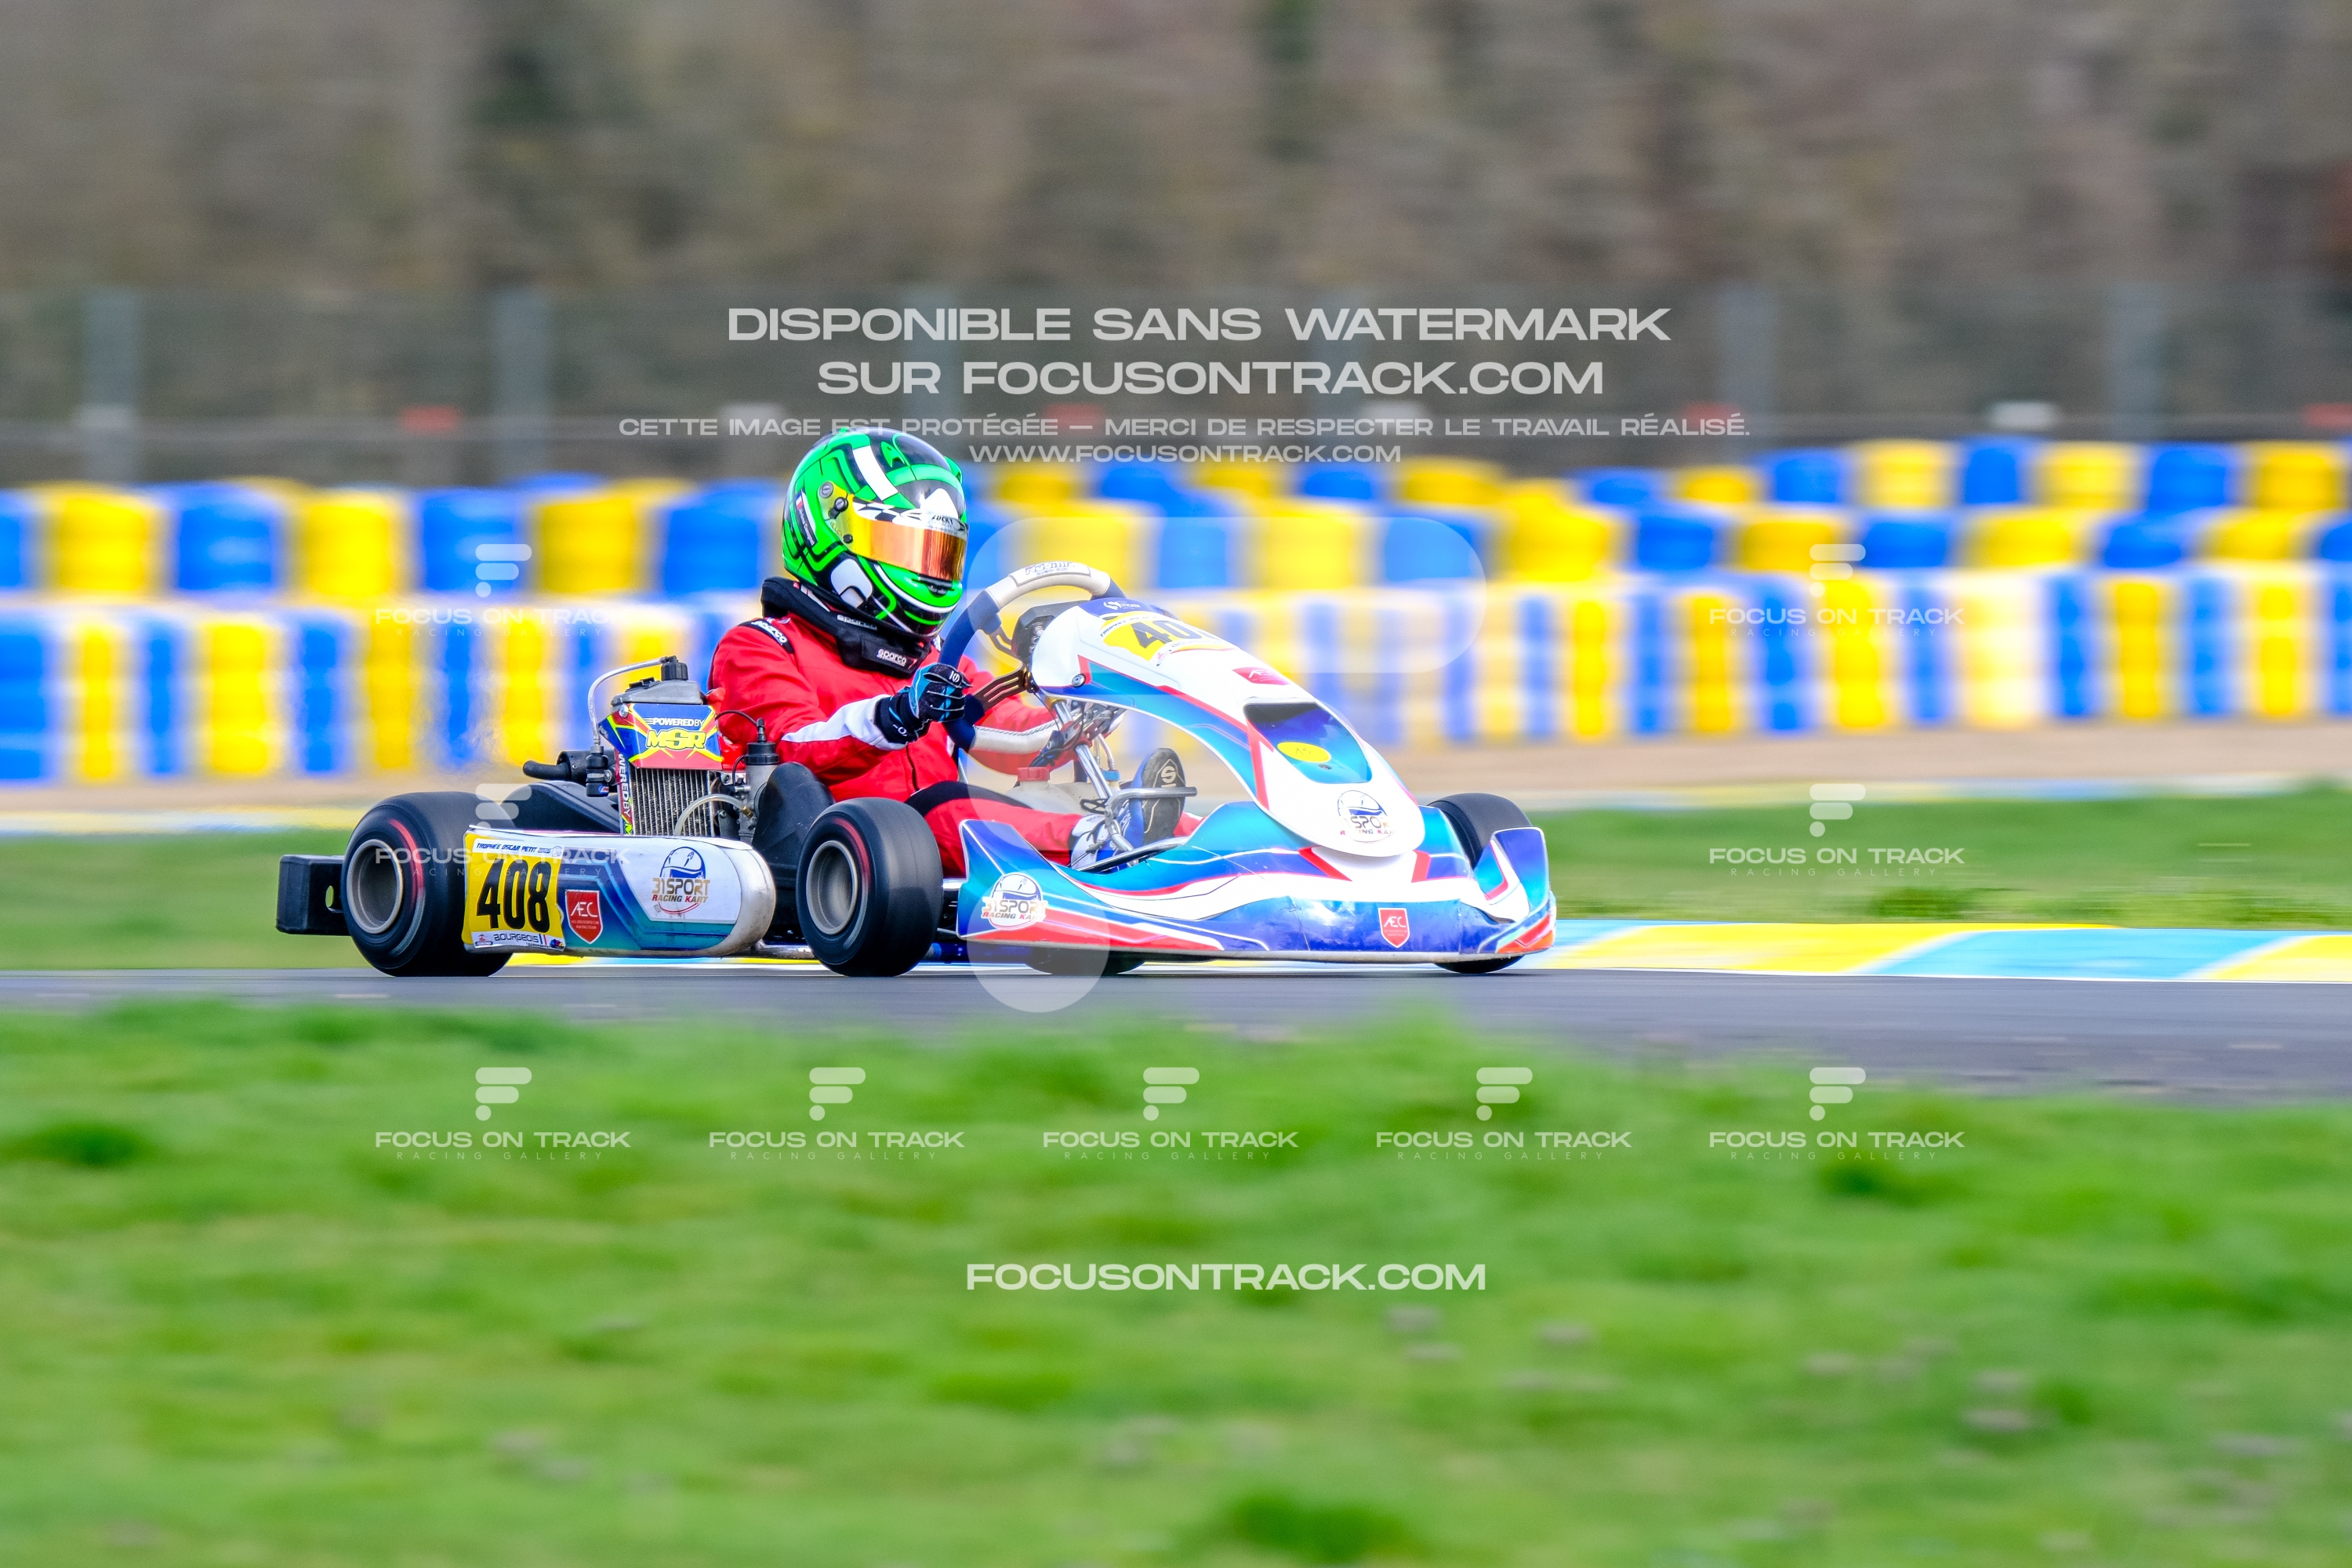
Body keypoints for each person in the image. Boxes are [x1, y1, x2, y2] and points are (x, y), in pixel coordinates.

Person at [706, 428, 1186, 927]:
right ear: (829, 535)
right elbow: (791, 748)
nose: (926, 568)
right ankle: (1097, 844)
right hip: (829, 858)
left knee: (1034, 795)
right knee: (940, 806)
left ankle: (1200, 842)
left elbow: (1007, 732)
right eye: (903, 546)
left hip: (925, 867)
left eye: (937, 552)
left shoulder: (930, 660)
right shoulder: (763, 645)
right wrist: (893, 717)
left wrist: (1080, 712)